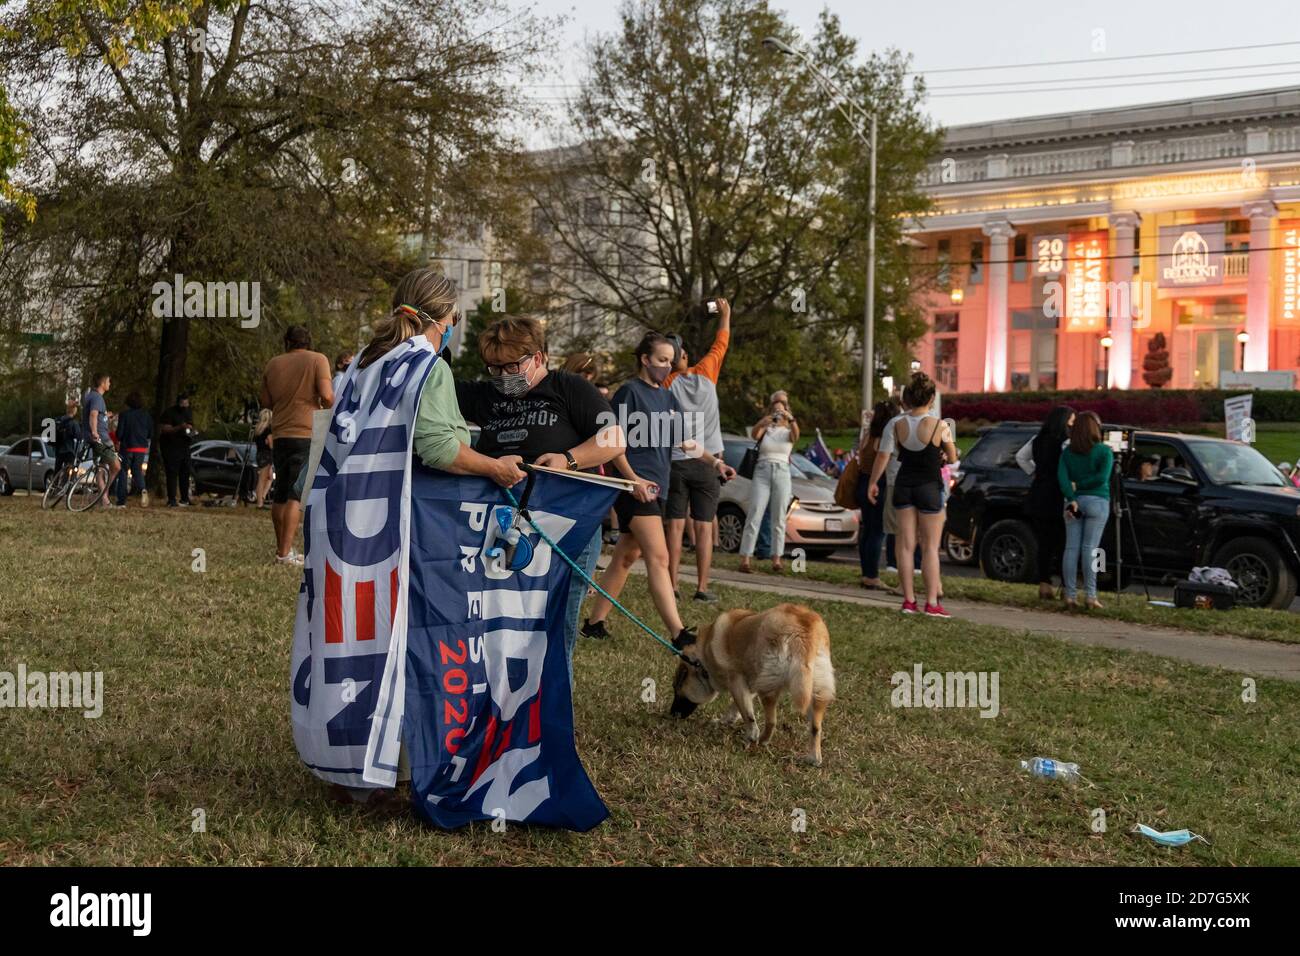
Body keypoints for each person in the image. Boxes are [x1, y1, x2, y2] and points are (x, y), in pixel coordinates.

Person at [454, 316, 624, 685]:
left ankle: (547, 708)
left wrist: (568, 459)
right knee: (501, 618)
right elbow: (433, 387)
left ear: (539, 356)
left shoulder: (568, 387)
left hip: (565, 528)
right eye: (495, 367)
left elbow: (613, 440)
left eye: (512, 366)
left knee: (556, 623)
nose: (502, 375)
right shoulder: (487, 395)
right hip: (502, 529)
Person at [582, 332, 734, 646]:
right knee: (659, 557)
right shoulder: (628, 392)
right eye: (661, 360)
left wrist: (715, 463)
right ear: (645, 359)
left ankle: (594, 623)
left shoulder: (666, 397)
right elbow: (612, 442)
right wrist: (632, 479)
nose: (667, 367)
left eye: (670, 361)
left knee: (626, 556)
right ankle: (678, 633)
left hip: (657, 487)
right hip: (634, 487)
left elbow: (684, 441)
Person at [867, 372, 957, 618]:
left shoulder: (895, 424)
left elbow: (883, 456)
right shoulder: (941, 425)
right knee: (930, 547)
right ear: (931, 398)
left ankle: (908, 601)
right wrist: (944, 453)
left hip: (904, 485)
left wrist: (873, 482)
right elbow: (952, 456)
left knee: (904, 546)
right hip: (929, 486)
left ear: (906, 398)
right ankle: (931, 603)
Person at [665, 297, 732, 604]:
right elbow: (722, 341)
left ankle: (673, 584)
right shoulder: (706, 371)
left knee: (676, 525)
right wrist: (725, 314)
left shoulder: (667, 382)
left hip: (678, 460)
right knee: (704, 528)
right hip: (709, 462)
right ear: (687, 356)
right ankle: (702, 587)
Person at [260, 326, 333, 565]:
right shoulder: (317, 360)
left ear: (287, 342)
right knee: (295, 495)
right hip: (306, 432)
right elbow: (327, 395)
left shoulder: (273, 364)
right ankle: (284, 553)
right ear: (308, 341)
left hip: (281, 433)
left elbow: (266, 401)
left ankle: (283, 548)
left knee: (280, 493)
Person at [1016, 405, 1075, 600]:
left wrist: (1035, 472)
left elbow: (1020, 457)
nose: (1074, 423)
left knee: (1044, 543)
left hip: (1039, 493)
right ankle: (1067, 586)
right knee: (1064, 543)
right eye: (1072, 420)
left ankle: (1044, 583)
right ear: (1065, 421)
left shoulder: (1038, 439)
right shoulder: (1066, 442)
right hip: (1059, 494)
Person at [738, 392, 799, 573]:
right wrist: (765, 420)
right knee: (755, 512)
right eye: (776, 404)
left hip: (781, 471)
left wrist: (790, 418)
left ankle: (777, 558)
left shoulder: (789, 430)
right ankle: (745, 558)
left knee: (778, 517)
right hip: (762, 470)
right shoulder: (767, 428)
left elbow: (796, 436)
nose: (779, 407)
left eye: (783, 404)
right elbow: (755, 435)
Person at [1058, 410, 1114, 610]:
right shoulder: (1104, 451)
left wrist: (1072, 495)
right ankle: (1091, 595)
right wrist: (1084, 484)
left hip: (1074, 503)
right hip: (1098, 501)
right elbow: (1102, 478)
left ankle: (1070, 595)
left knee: (1071, 548)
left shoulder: (1067, 453)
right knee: (1091, 549)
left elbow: (1062, 478)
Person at [856, 397, 900, 590]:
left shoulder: (867, 436)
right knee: (877, 531)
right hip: (877, 483)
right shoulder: (885, 438)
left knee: (867, 530)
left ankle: (866, 571)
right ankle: (872, 575)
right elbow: (884, 457)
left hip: (862, 481)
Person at [81, 373, 121, 508]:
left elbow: (97, 415)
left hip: (97, 437)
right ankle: (102, 495)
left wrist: (105, 416)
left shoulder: (91, 396)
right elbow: (93, 414)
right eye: (108, 381)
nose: (110, 384)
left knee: (101, 469)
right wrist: (94, 432)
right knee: (116, 466)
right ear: (103, 383)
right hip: (101, 438)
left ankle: (104, 500)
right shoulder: (97, 397)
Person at [114, 392, 153, 507]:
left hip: (127, 447)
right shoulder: (147, 415)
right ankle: (143, 489)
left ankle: (121, 501)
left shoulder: (125, 415)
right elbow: (150, 433)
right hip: (141, 448)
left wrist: (119, 436)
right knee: (137, 471)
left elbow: (119, 434)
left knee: (123, 471)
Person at [159, 394, 196, 507]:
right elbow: (165, 429)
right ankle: (172, 499)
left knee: (185, 473)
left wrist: (191, 430)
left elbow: (191, 425)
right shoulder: (169, 413)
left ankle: (185, 498)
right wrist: (180, 427)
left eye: (187, 404)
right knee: (172, 473)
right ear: (178, 403)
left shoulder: (188, 412)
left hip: (184, 446)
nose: (185, 406)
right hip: (171, 447)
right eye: (182, 404)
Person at [253, 408, 274, 508]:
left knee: (269, 477)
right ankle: (259, 503)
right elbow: (271, 445)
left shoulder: (258, 430)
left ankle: (263, 496)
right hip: (266, 455)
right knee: (262, 479)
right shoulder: (268, 430)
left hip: (259, 454)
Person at [54, 400, 81, 476]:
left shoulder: (59, 420)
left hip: (59, 450)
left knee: (57, 471)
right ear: (74, 410)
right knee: (69, 472)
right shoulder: (73, 422)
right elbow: (78, 436)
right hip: (69, 450)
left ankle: (54, 486)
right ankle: (65, 486)